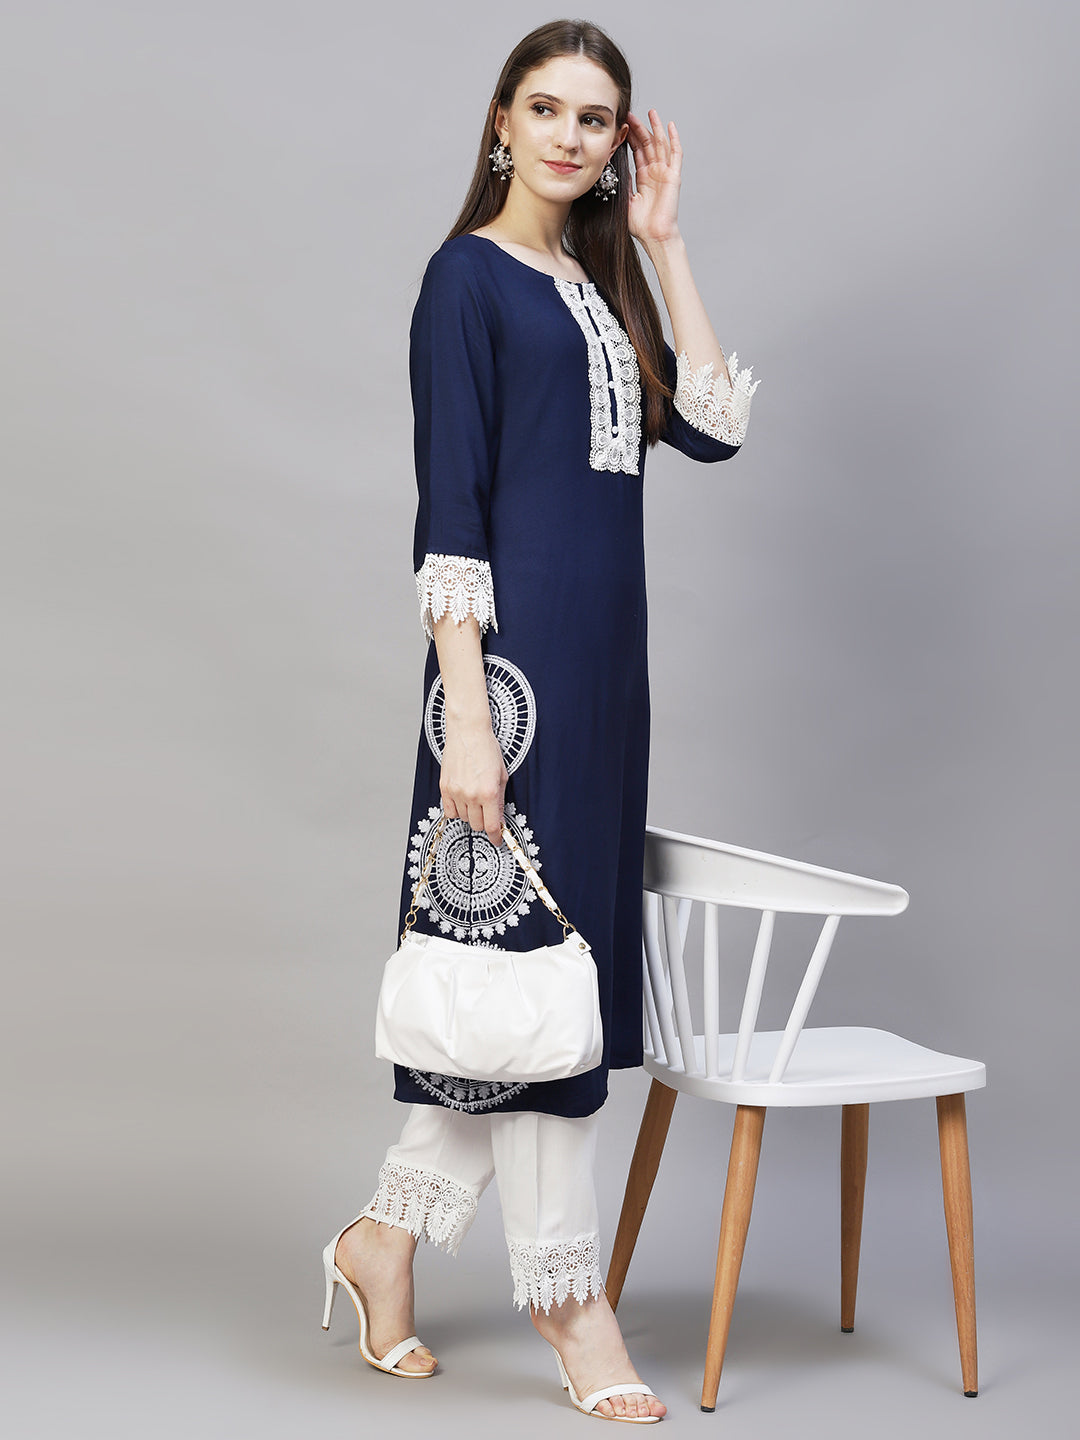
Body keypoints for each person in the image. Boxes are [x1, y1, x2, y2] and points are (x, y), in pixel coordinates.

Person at [322, 18, 758, 1423]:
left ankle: (381, 1243)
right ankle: (571, 1302)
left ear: (618, 143)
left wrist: (666, 242)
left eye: (596, 117)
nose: (571, 136)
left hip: (606, 682)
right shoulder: (466, 280)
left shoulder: (601, 283)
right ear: (501, 122)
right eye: (548, 108)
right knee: (533, 984)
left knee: (539, 994)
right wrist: (465, 717)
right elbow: (450, 514)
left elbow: (716, 424)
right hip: (509, 687)